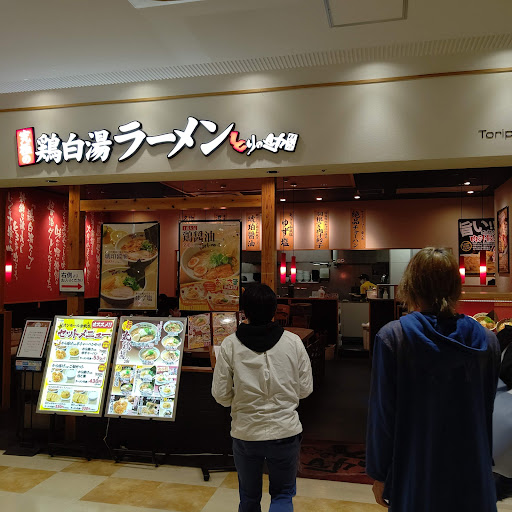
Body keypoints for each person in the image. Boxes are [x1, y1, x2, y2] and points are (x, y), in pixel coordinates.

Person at [366, 247, 501, 511]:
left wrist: (380, 473)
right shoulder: (488, 341)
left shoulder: (394, 337)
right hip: (473, 470)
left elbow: (383, 415)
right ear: (455, 287)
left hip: (416, 472)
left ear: (411, 286)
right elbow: (487, 410)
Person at [212, 283, 313, 512]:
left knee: (249, 498)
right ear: (275, 310)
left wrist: (238, 401)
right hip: (285, 432)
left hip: (246, 433)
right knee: (282, 495)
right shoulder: (293, 342)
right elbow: (305, 389)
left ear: (244, 311)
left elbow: (221, 395)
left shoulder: (230, 344)